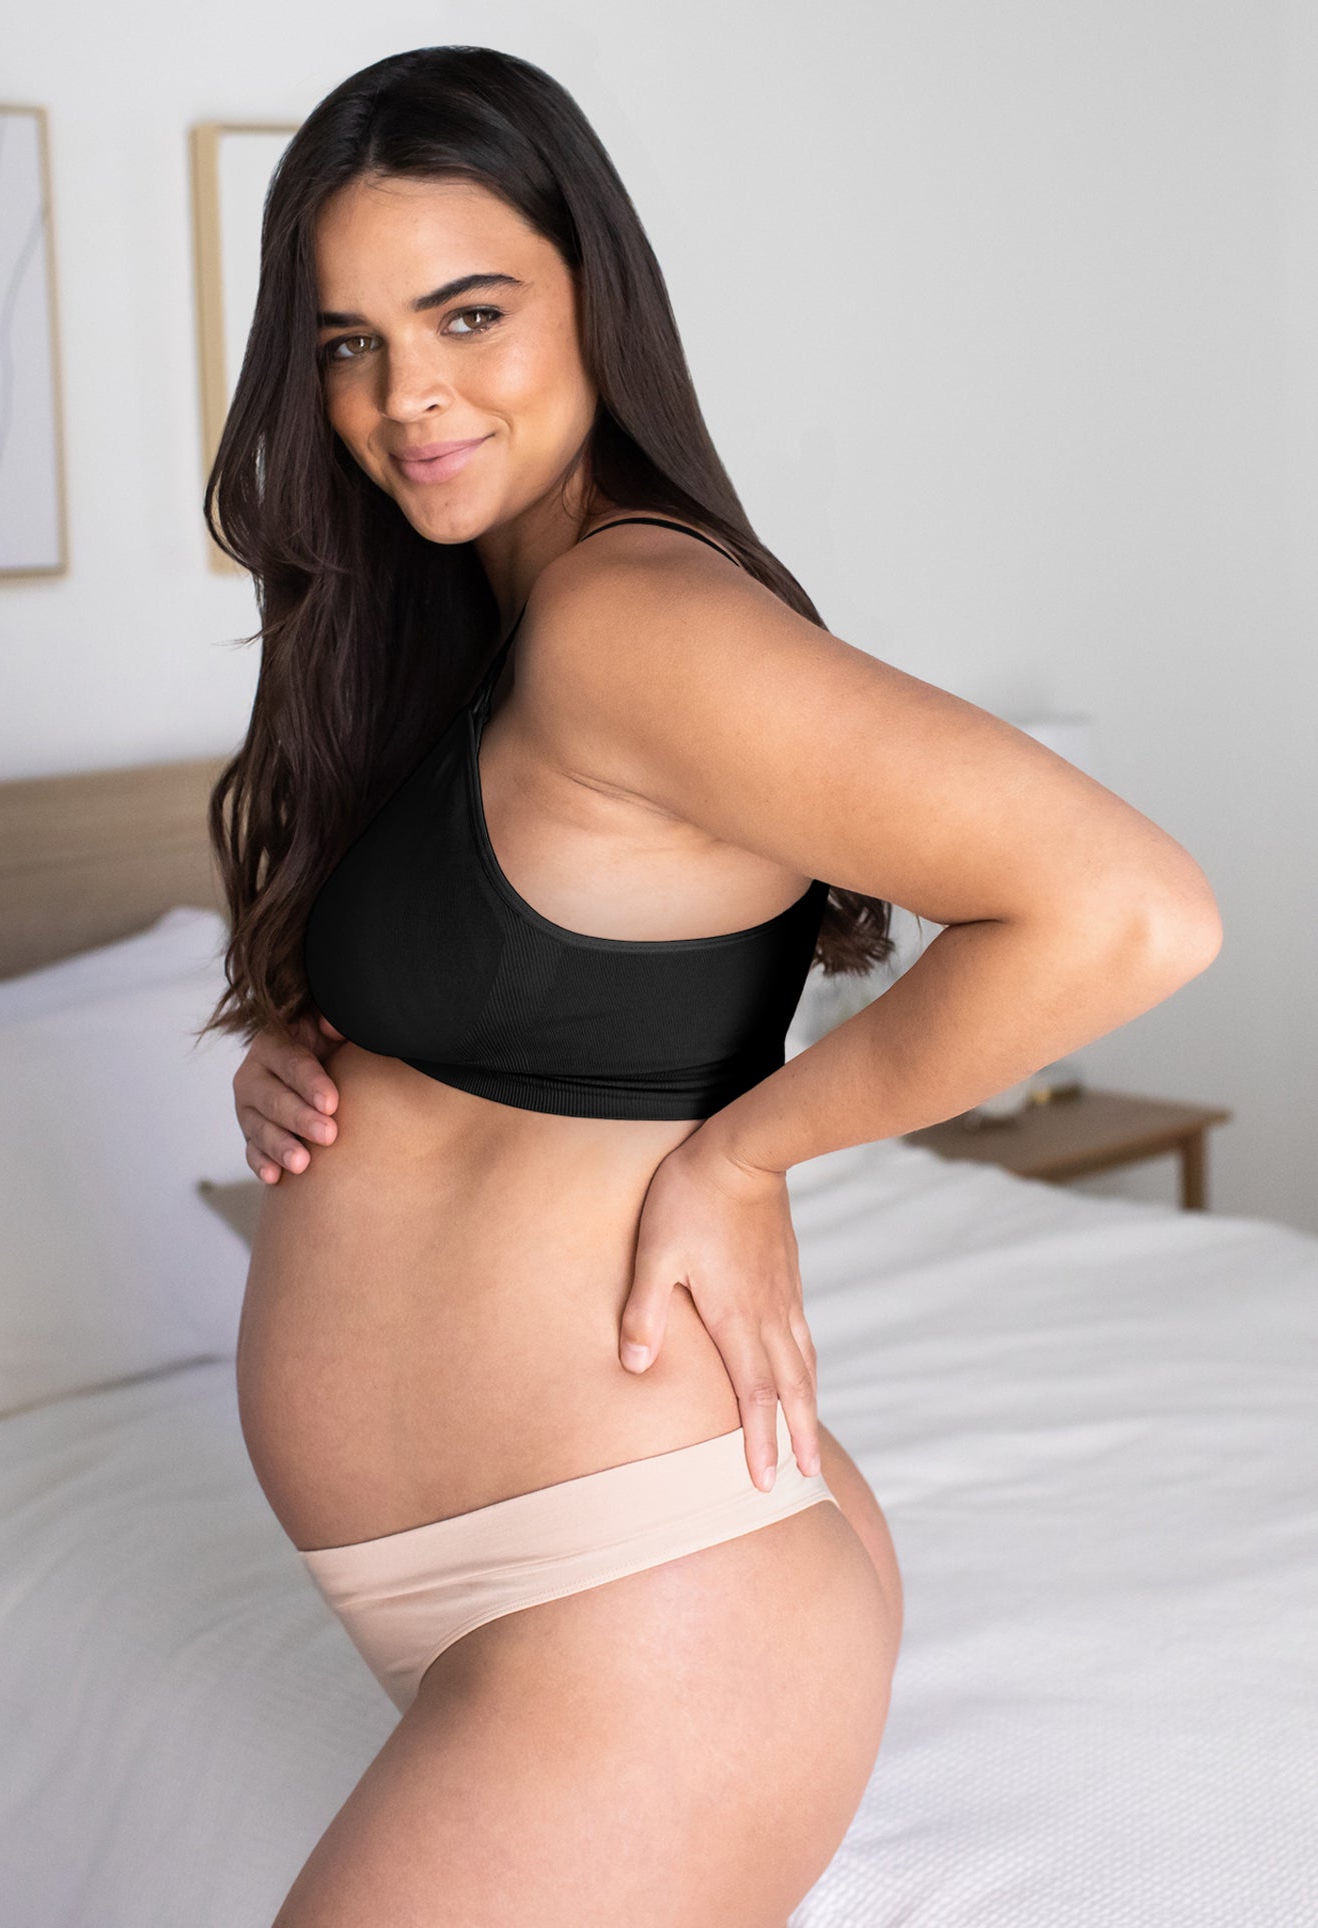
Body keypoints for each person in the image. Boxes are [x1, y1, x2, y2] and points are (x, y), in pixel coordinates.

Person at [199, 46, 1222, 1927]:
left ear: (593, 287)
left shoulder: (628, 620)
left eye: (469, 313)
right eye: (347, 342)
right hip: (562, 1579)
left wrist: (746, 1161)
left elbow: (1127, 910)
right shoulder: (470, 627)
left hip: (639, 1592)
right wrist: (310, 1042)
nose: (405, 394)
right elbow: (526, 991)